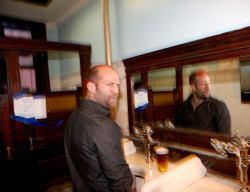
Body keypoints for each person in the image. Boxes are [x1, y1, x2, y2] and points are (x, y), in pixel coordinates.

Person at [64, 65, 135, 192]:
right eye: (109, 84)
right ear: (91, 87)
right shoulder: (103, 125)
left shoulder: (74, 116)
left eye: (117, 85)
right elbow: (121, 181)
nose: (116, 90)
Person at [174, 70, 231, 134]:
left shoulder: (218, 107)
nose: (208, 88)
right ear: (193, 87)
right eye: (203, 84)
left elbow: (225, 138)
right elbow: (177, 133)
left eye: (209, 83)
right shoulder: (182, 108)